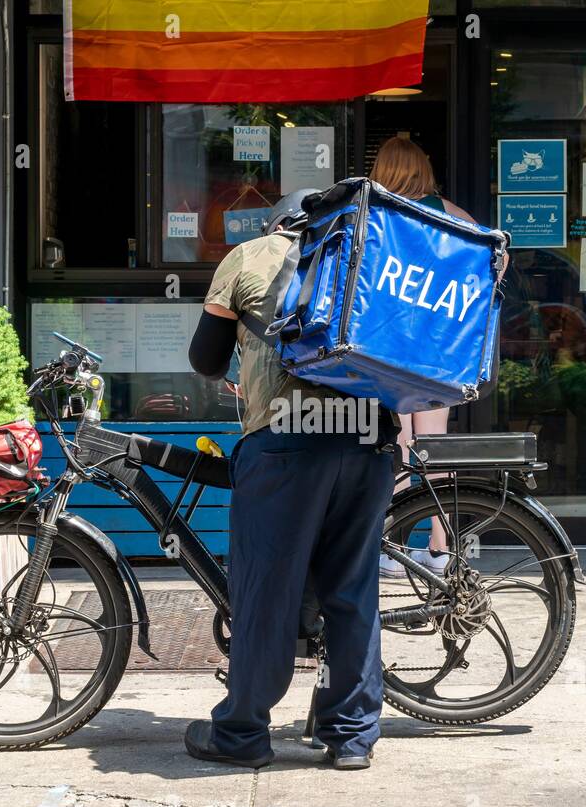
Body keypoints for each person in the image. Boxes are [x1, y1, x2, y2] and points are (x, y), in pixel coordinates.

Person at [184, 189, 397, 771]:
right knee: (352, 591)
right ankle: (350, 735)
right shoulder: (371, 258)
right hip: (367, 440)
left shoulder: (251, 256)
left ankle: (243, 733)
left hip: (286, 444)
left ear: (277, 223)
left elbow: (205, 357)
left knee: (266, 592)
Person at [369, 136, 486, 576]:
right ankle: (442, 548)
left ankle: (391, 546)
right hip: (440, 352)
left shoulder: (378, 213)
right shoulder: (449, 213)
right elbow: (498, 257)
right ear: (423, 169)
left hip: (389, 349)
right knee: (435, 449)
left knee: (398, 447)